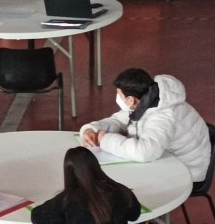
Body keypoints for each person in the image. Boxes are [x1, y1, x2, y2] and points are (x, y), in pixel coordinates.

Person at [80, 68, 210, 182]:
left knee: (122, 182)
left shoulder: (163, 117)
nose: (118, 98)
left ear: (131, 100)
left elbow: (145, 152)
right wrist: (92, 130)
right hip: (165, 157)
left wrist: (106, 140)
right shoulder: (147, 98)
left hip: (187, 171)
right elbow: (120, 120)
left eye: (119, 95)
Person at [31, 147, 141, 224]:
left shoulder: (68, 199)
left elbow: (39, 219)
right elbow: (134, 215)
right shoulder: (120, 191)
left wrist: (66, 217)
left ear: (69, 172)